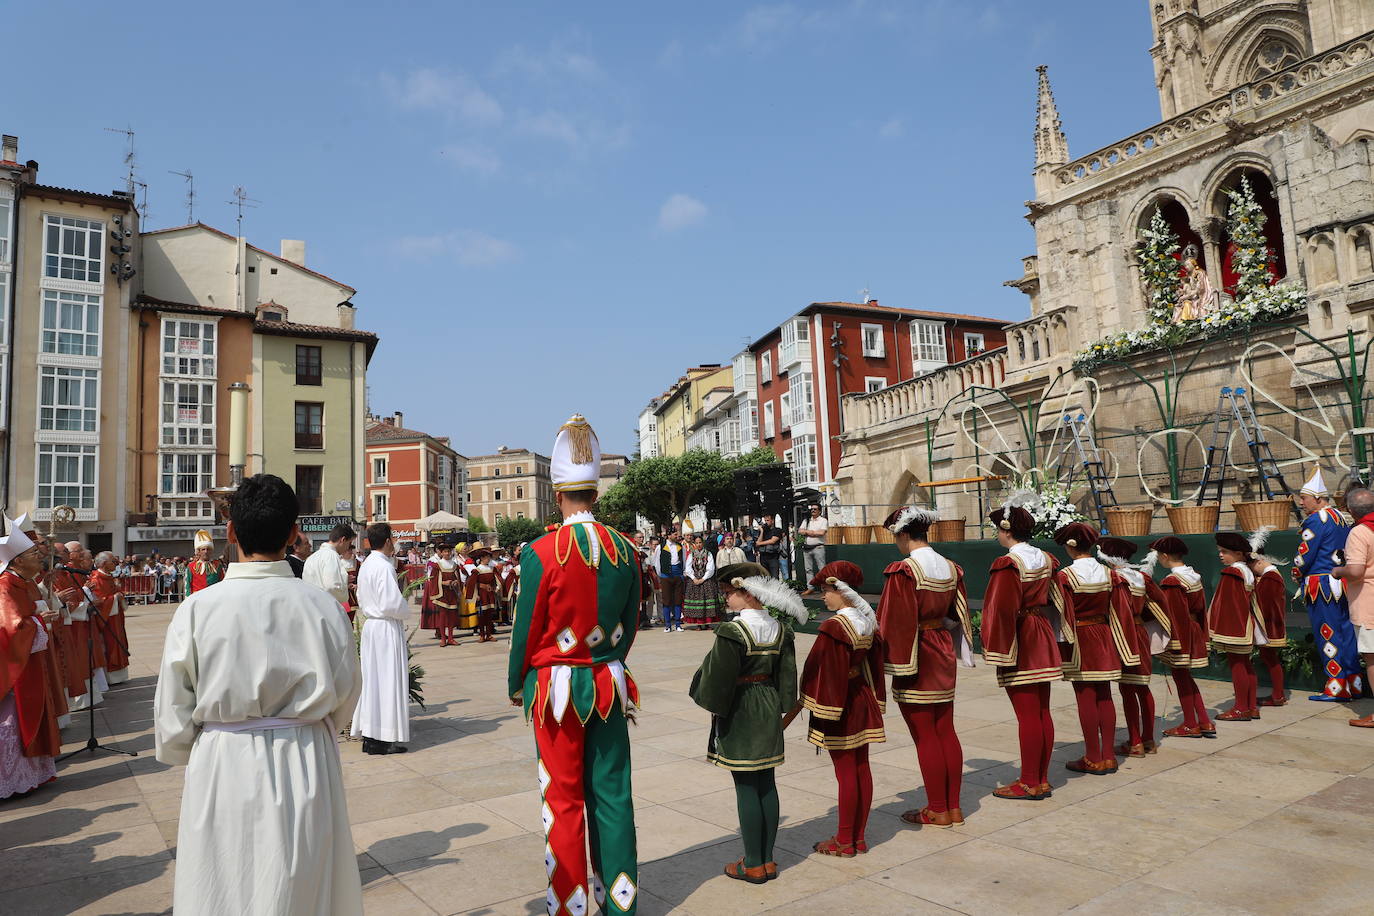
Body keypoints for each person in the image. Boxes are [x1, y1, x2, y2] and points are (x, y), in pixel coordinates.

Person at [154, 474, 362, 916]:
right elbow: (346, 690)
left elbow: (174, 706)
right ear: (294, 533)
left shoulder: (198, 608)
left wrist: (187, 747)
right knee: (302, 882)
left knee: (223, 883)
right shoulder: (321, 605)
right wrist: (314, 726)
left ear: (230, 532)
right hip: (304, 754)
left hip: (223, 759)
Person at [508, 414, 643, 915]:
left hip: (557, 690)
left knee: (562, 801)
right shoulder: (626, 552)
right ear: (596, 494)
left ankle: (570, 906)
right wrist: (606, 660)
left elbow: (526, 629)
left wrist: (517, 681)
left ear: (557, 491)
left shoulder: (541, 553)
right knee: (613, 795)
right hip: (608, 683)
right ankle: (620, 904)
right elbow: (630, 623)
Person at [689, 562, 802, 884]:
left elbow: (716, 682)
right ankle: (767, 860)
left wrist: (711, 702)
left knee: (745, 785)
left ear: (749, 593)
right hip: (767, 703)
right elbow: (787, 678)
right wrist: (781, 705)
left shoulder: (732, 631)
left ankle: (752, 862)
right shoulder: (781, 629)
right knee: (767, 782)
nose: (725, 598)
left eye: (729, 593)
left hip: (741, 708)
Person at [878, 506, 973, 826]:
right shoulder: (950, 567)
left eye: (896, 537)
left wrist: (883, 661)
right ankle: (954, 806)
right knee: (946, 729)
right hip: (942, 648)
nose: (896, 543)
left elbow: (892, 620)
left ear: (904, 534)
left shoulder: (904, 570)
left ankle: (937, 808)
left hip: (916, 653)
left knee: (925, 734)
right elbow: (958, 612)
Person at [794, 560, 885, 856]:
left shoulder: (834, 626)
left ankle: (845, 840)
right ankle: (858, 836)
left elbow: (818, 670)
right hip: (861, 697)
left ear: (842, 590)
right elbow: (873, 665)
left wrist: (813, 704)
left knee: (846, 772)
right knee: (861, 768)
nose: (823, 596)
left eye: (826, 590)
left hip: (839, 704)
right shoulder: (866, 620)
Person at [979, 505, 1064, 800]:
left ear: (1006, 530)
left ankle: (1028, 781)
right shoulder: (1046, 558)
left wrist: (995, 646)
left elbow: (1000, 609)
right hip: (1041, 630)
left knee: (1027, 714)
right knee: (1041, 711)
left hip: (1021, 637)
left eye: (998, 530)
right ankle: (1040, 778)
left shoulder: (1009, 563)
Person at [1055, 522, 1136, 776]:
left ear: (1070, 545)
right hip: (1104, 635)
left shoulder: (1066, 576)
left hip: (1080, 638)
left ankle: (1092, 756)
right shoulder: (1110, 573)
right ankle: (1109, 756)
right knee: (1105, 695)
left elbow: (1063, 613)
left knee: (1085, 697)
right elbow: (1120, 610)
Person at [0, 514, 64, 800]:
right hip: (15, 668)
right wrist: (38, 621)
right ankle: (13, 778)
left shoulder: (23, 581)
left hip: (30, 662)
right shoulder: (4, 586)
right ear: (16, 561)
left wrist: (39, 610)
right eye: (33, 554)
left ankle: (33, 772)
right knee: (14, 722)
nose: (40, 558)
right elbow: (10, 627)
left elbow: (26, 614)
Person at [1293, 468, 1360, 701]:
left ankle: (1336, 687)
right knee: (1346, 633)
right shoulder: (1340, 517)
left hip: (1320, 584)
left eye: (1304, 498)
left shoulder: (1315, 520)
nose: (1301, 503)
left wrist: (1296, 571)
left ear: (1318, 499)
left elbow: (1305, 555)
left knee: (1327, 633)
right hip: (1340, 583)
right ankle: (1355, 683)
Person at [1097, 537, 1165, 757]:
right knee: (1142, 686)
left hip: (1122, 634)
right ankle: (1148, 740)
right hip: (1140, 633)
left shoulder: (1113, 577)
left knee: (1127, 689)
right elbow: (1161, 601)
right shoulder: (1142, 577)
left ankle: (1135, 742)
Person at [351, 522, 412, 755]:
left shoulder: (366, 564)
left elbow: (360, 595)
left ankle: (372, 736)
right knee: (386, 680)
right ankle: (383, 736)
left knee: (373, 681)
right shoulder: (384, 566)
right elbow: (390, 603)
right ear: (387, 541)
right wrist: (404, 610)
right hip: (385, 627)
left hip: (372, 628)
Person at [1151, 537, 1214, 738]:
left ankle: (1189, 723)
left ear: (1165, 556)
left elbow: (1173, 614)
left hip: (1182, 633)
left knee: (1181, 677)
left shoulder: (1172, 581)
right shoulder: (1193, 575)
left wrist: (1173, 642)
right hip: (1193, 629)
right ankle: (1204, 720)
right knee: (1186, 677)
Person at [1210, 532, 1264, 722]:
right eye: (1220, 551)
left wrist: (1219, 628)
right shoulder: (1247, 571)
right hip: (1246, 624)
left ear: (1239, 553)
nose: (1221, 555)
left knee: (1238, 665)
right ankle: (1250, 707)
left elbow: (1229, 603)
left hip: (1235, 626)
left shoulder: (1233, 571)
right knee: (1246, 665)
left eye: (1225, 551)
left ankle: (1241, 707)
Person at [1332, 486, 1374, 727]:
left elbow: (1356, 571)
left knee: (1372, 659)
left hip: (1368, 604)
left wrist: (1338, 571)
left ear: (1350, 510)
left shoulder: (1359, 532)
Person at [1248, 528, 1289, 708]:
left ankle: (1278, 695)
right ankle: (1277, 694)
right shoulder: (1268, 576)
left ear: (1257, 561)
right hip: (1268, 626)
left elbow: (1264, 604)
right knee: (1269, 658)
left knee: (1271, 659)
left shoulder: (1270, 578)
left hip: (1269, 626)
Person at [88, 551, 131, 685]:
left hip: (116, 617)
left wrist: (118, 594)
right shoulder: (96, 579)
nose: (117, 564)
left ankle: (120, 675)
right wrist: (114, 598)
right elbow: (99, 602)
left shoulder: (108, 577)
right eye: (113, 561)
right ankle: (111, 677)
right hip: (107, 620)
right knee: (110, 644)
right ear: (104, 563)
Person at [302, 523, 354, 613]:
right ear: (343, 540)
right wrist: (344, 584)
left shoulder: (312, 557)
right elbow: (332, 586)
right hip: (327, 609)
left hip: (312, 608)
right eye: (349, 543)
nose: (348, 547)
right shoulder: (332, 555)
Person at [422, 544, 463, 646]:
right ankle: (443, 638)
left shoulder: (455, 565)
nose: (447, 553)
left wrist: (455, 583)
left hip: (452, 593)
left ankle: (450, 638)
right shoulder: (437, 565)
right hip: (442, 594)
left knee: (451, 617)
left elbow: (458, 579)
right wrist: (444, 583)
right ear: (441, 553)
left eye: (449, 551)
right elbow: (433, 580)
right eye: (445, 551)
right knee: (442, 616)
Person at [683, 536, 721, 630]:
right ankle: (699, 624)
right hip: (694, 580)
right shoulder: (691, 554)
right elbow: (688, 568)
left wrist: (703, 578)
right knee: (697, 602)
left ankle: (707, 623)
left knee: (707, 601)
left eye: (700, 542)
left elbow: (711, 568)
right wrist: (693, 578)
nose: (699, 544)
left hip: (706, 580)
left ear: (702, 543)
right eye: (697, 543)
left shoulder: (708, 554)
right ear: (694, 544)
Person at [657, 532, 686, 632]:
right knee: (666, 600)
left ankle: (678, 624)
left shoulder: (680, 546)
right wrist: (661, 575)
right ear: (669, 536)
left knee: (678, 600)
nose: (677, 536)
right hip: (666, 576)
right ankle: (668, 625)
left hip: (677, 575)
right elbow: (657, 562)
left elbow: (683, 560)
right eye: (674, 534)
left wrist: (682, 573)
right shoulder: (661, 547)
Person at [798, 505, 829, 593]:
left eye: (815, 509)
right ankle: (810, 588)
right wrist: (811, 532)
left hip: (818, 547)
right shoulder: (807, 520)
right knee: (808, 569)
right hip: (807, 547)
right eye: (812, 509)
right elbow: (800, 531)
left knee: (822, 568)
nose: (813, 511)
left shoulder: (823, 520)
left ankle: (824, 588)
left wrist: (807, 532)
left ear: (819, 511)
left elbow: (822, 532)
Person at [185, 530, 225, 596]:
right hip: (197, 601)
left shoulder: (217, 565)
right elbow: (187, 587)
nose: (206, 551)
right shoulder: (191, 566)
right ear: (198, 551)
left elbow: (222, 583)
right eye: (203, 549)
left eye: (208, 549)